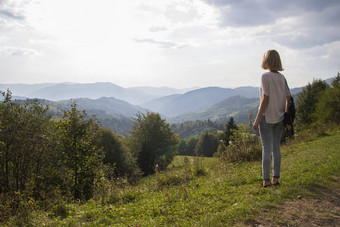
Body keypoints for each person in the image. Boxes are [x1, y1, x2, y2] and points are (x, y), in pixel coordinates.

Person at [253, 50, 290, 188]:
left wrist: (257, 120)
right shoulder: (282, 78)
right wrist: (285, 115)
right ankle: (275, 179)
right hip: (279, 118)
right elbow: (288, 98)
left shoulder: (265, 77)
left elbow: (265, 99)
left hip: (266, 117)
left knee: (266, 149)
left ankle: (266, 181)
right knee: (276, 149)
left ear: (266, 61)